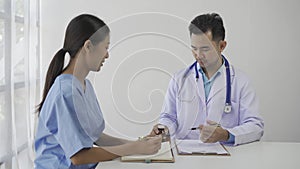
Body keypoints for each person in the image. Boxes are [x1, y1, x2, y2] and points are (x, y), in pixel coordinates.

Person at [34, 14, 162, 169]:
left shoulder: (83, 85)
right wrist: (133, 149)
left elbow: (95, 137)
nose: (107, 55)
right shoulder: (65, 93)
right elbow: (79, 157)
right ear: (88, 46)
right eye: (106, 47)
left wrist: (138, 143)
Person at [150, 13, 264, 146]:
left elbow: (256, 126)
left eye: (205, 49)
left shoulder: (241, 81)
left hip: (225, 156)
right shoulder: (179, 79)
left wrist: (226, 134)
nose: (198, 55)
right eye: (194, 48)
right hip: (185, 155)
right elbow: (169, 117)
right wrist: (164, 129)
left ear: (221, 46)